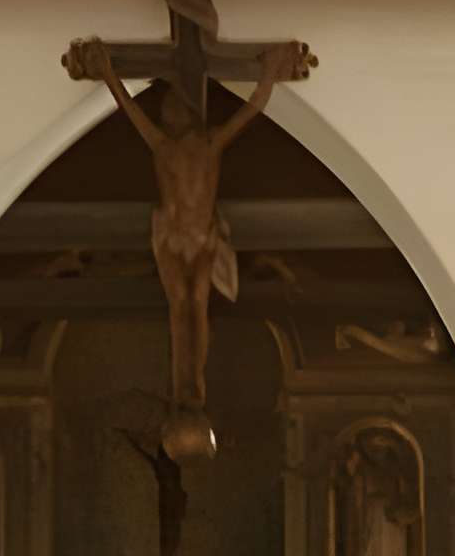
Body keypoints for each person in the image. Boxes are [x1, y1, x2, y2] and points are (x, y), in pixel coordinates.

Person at [66, 35, 316, 459]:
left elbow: (248, 112)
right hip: (183, 237)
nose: (166, 111)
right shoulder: (170, 145)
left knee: (188, 307)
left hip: (191, 238)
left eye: (171, 107)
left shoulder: (196, 144)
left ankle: (187, 387)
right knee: (186, 306)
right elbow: (132, 110)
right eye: (166, 108)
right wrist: (106, 72)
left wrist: (271, 73)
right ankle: (191, 389)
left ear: (186, 113)